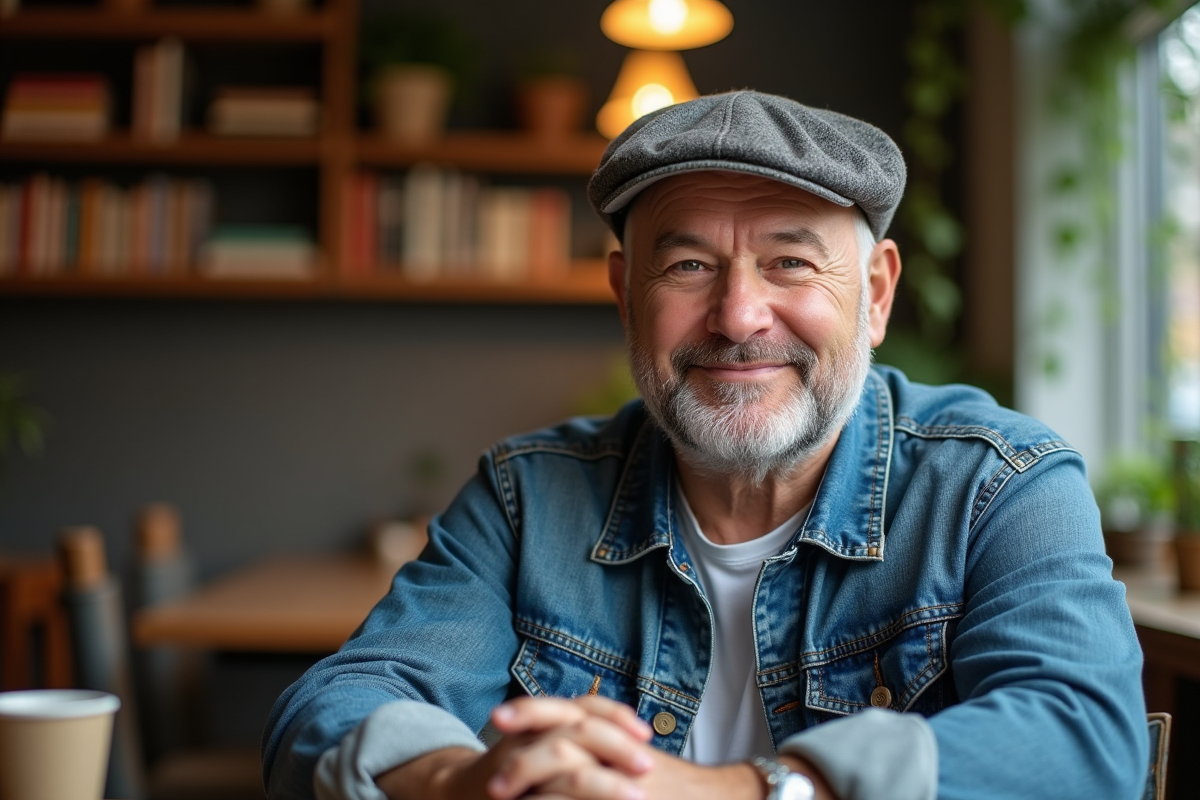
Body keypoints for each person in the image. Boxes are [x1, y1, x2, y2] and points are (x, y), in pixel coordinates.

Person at [262, 91, 1148, 800]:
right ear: (624, 293)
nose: (737, 316)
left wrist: (736, 790)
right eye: (688, 265)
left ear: (875, 294)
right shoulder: (527, 496)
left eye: (791, 263)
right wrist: (459, 780)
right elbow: (335, 704)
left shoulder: (1000, 483)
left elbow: (1086, 742)